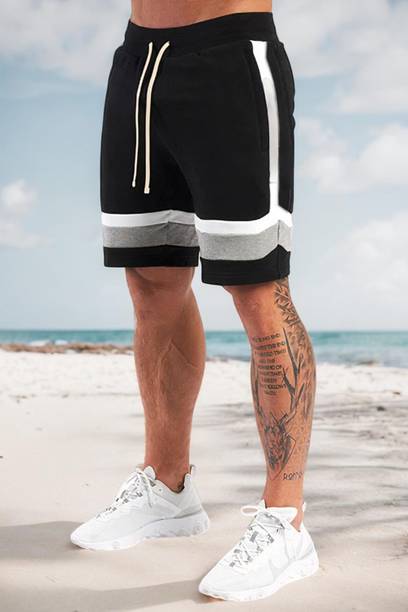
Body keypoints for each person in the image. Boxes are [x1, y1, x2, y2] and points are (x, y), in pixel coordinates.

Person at [71, 0, 319, 602]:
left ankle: (286, 522)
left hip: (231, 58)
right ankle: (168, 488)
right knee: (151, 279)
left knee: (256, 286)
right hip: (138, 67)